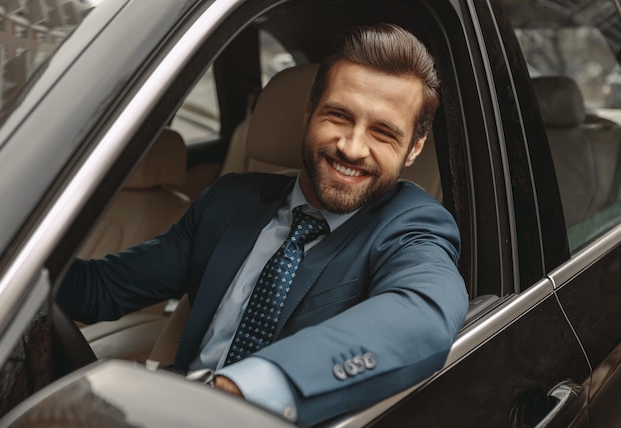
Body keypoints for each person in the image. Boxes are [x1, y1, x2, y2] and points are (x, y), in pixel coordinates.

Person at [57, 23, 469, 426]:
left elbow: (423, 314)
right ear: (309, 113)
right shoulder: (230, 199)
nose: (352, 146)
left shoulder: (414, 224)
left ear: (414, 148)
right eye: (339, 116)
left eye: (383, 132)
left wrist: (240, 390)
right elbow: (103, 288)